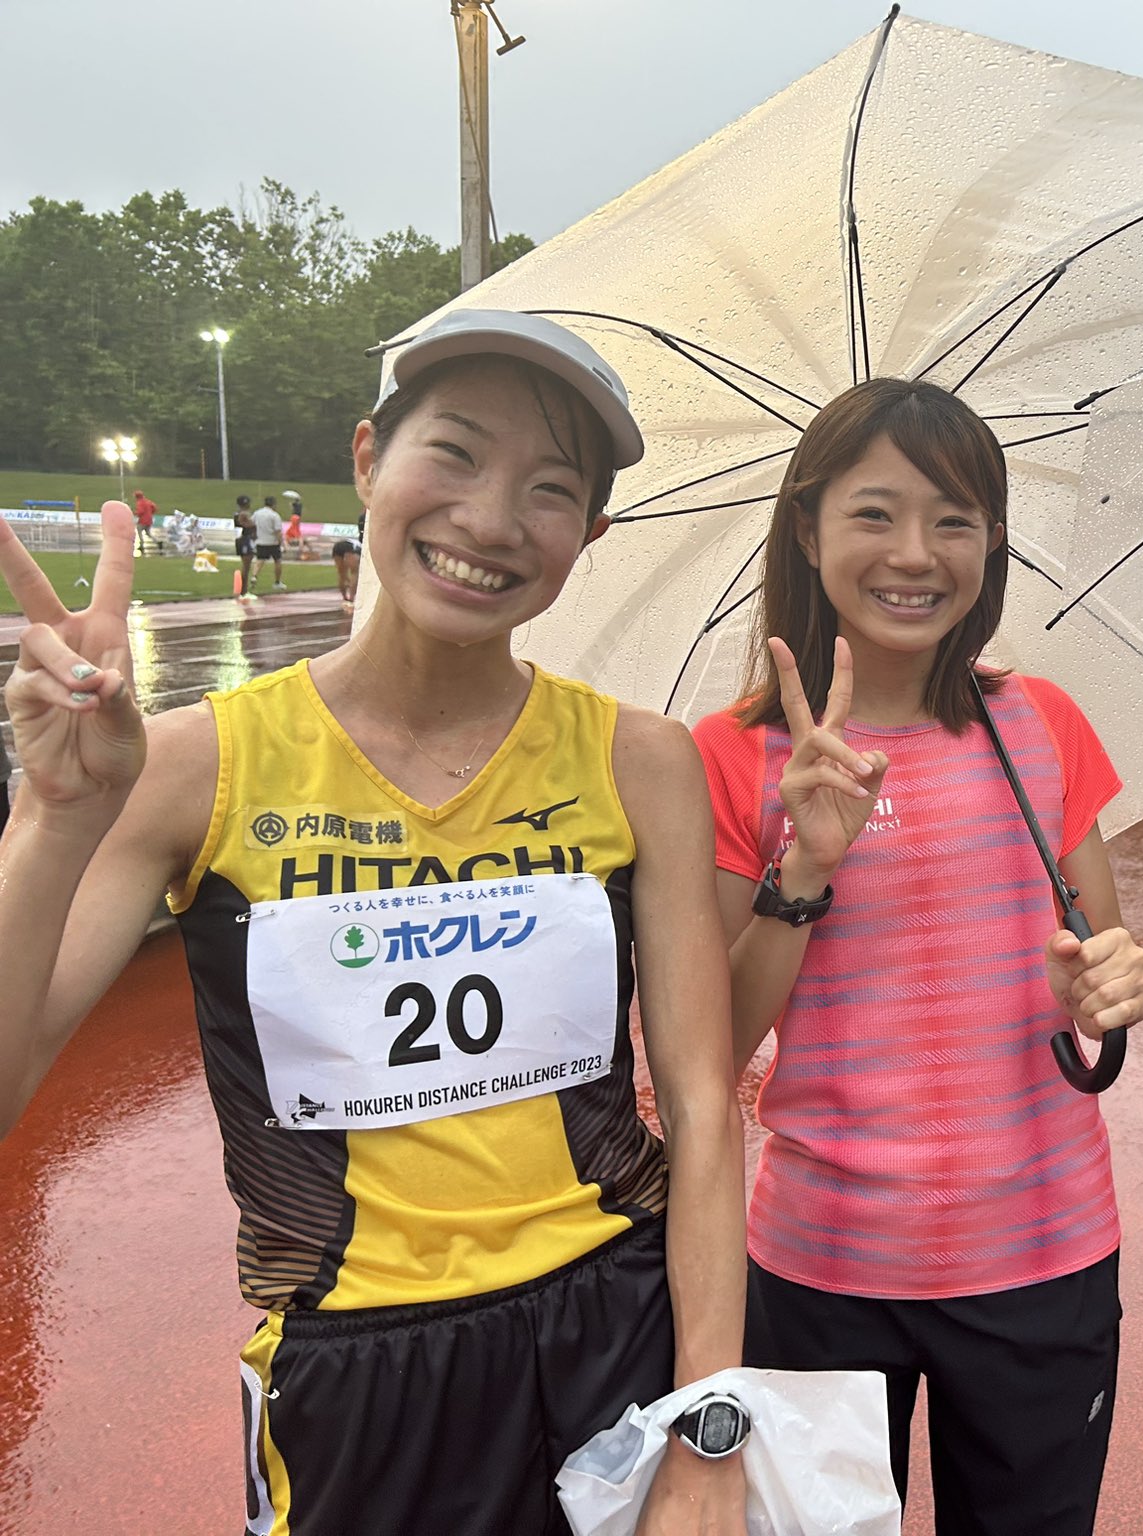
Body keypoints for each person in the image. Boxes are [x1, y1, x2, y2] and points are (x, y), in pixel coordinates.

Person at [0, 309, 748, 1535]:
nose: (493, 519)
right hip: (352, 1364)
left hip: (616, 1322)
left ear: (588, 536)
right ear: (365, 461)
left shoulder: (642, 762)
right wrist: (54, 820)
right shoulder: (194, 767)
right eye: (453, 453)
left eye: (551, 490)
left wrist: (709, 1423)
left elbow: (705, 1105)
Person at [692, 377, 1143, 1535]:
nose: (917, 553)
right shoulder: (729, 754)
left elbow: (1099, 959)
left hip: (1045, 1255)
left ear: (990, 543)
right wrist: (802, 873)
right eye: (874, 513)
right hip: (821, 1270)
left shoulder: (1040, 721)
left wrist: (1111, 985)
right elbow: (707, 1046)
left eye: (954, 518)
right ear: (806, 528)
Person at [253, 495, 287, 591]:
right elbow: (278, 531)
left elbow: (252, 524)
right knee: (278, 561)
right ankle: (277, 582)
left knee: (259, 560)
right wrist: (282, 543)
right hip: (272, 542)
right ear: (274, 504)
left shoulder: (257, 513)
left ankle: (254, 576)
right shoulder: (274, 515)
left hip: (260, 540)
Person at [333, 509, 363, 614]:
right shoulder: (361, 547)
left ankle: (344, 597)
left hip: (338, 547)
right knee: (355, 572)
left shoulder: (355, 541)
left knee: (341, 574)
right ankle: (351, 598)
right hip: (350, 549)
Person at [232, 493, 257, 596]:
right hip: (245, 540)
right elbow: (247, 525)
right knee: (246, 566)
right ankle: (244, 591)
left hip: (242, 540)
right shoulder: (243, 514)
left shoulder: (239, 514)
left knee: (246, 566)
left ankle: (244, 590)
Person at [132, 490, 157, 556]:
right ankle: (157, 542)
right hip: (149, 520)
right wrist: (151, 513)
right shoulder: (148, 501)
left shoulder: (140, 502)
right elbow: (154, 507)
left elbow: (140, 511)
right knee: (148, 533)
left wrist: (135, 513)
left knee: (139, 532)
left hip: (143, 521)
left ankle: (141, 545)